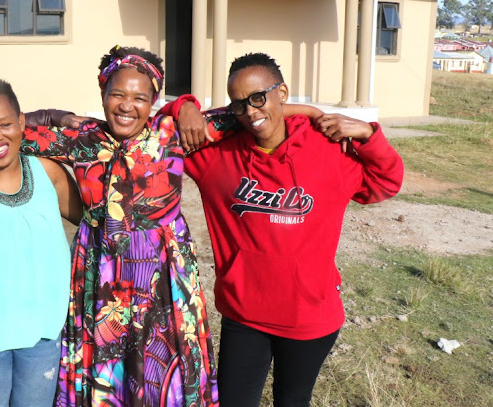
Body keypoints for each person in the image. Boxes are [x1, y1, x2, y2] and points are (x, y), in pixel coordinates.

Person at [0, 46, 219, 406]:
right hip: (101, 279)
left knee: (159, 374)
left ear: (154, 100)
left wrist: (187, 104)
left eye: (139, 97)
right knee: (108, 376)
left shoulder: (172, 134)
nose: (126, 105)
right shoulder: (84, 139)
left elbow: (246, 113)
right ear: (102, 94)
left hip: (163, 280)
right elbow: (4, 129)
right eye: (117, 93)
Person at [163, 52, 404, 407]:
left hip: (309, 316)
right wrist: (183, 105)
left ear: (282, 92)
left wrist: (369, 134)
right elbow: (162, 130)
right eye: (239, 104)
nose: (250, 112)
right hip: (244, 313)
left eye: (258, 98)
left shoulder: (329, 150)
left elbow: (386, 183)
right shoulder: (217, 157)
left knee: (293, 401)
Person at [0, 78, 83, 407]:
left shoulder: (48, 172)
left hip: (43, 332)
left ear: (22, 122)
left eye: (5, 124)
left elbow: (93, 225)